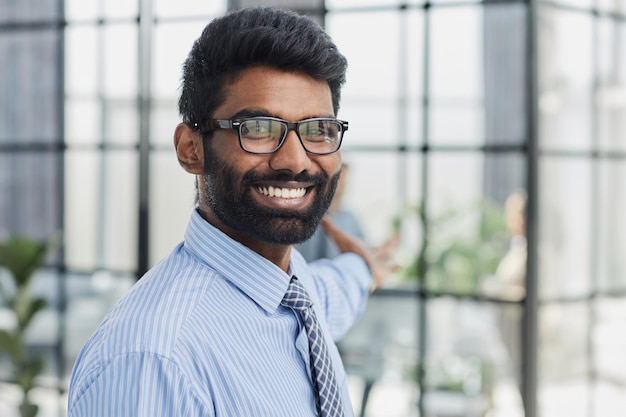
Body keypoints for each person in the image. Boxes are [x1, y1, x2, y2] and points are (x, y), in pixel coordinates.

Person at [68, 7, 393, 417]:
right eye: (257, 128)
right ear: (191, 148)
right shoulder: (155, 359)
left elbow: (335, 291)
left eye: (317, 130)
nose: (295, 160)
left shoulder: (295, 290)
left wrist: (365, 269)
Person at [297, 162, 366, 262]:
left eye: (344, 179)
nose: (341, 183)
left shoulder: (350, 217)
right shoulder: (310, 217)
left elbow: (363, 247)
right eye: (338, 178)